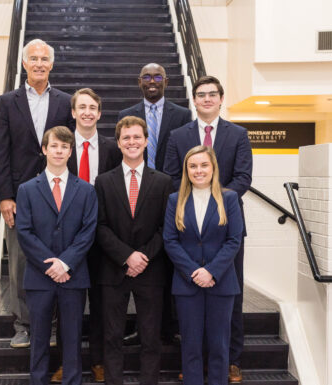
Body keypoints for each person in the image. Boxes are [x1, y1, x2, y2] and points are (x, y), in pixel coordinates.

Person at [163, 76, 252, 382]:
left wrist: (217, 198)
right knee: (189, 318)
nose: (207, 99)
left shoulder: (238, 134)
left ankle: (231, 360)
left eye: (212, 94)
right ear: (194, 100)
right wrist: (191, 197)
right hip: (188, 228)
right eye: (201, 95)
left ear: (221, 98)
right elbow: (171, 176)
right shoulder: (178, 135)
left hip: (224, 225)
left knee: (230, 301)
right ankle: (192, 367)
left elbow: (243, 177)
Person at [0, 38, 75, 348]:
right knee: (21, 264)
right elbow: (0, 152)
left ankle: (52, 326)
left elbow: (73, 150)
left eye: (44, 59)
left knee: (57, 258)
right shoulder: (6, 102)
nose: (39, 63)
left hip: (58, 194)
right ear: (24, 63)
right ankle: (24, 325)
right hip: (20, 197)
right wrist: (4, 196)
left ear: (51, 65)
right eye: (33, 58)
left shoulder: (66, 102)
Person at [94, 116, 174, 385]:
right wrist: (126, 256)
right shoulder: (103, 182)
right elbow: (100, 226)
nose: (132, 142)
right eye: (126, 138)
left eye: (137, 137)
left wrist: (143, 256)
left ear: (146, 141)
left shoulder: (163, 182)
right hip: (113, 269)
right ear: (118, 143)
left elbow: (166, 227)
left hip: (151, 269)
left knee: (151, 337)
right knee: (112, 336)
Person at [15, 126, 97, 385]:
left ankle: (72, 380)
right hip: (39, 277)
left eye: (64, 147)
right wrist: (50, 264)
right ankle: (37, 380)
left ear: (70, 151)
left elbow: (88, 231)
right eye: (54, 146)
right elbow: (25, 232)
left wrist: (65, 263)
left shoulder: (86, 190)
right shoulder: (27, 189)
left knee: (72, 336)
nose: (59, 151)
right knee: (39, 336)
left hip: (73, 276)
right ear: (44, 149)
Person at [50, 88, 121, 383]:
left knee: (102, 303)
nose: (88, 112)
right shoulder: (63, 147)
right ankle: (68, 363)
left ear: (100, 113)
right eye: (83, 107)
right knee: (69, 305)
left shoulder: (112, 148)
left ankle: (98, 360)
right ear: (74, 112)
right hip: (70, 239)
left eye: (93, 107)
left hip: (103, 236)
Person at [117, 63, 192, 345]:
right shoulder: (126, 115)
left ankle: (166, 326)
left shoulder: (183, 115)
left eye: (157, 76)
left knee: (165, 262)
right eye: (147, 77)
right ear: (139, 82)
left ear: (166, 81)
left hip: (170, 195)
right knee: (139, 263)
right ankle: (141, 326)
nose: (152, 81)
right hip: (136, 196)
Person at [163, 145, 243, 385]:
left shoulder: (229, 198)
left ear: (213, 168)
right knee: (191, 345)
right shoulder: (175, 199)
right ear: (187, 170)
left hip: (221, 283)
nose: (199, 170)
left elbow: (234, 240)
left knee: (219, 345)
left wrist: (211, 271)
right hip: (187, 284)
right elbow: (170, 240)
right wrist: (193, 271)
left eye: (204, 165)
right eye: (193, 166)